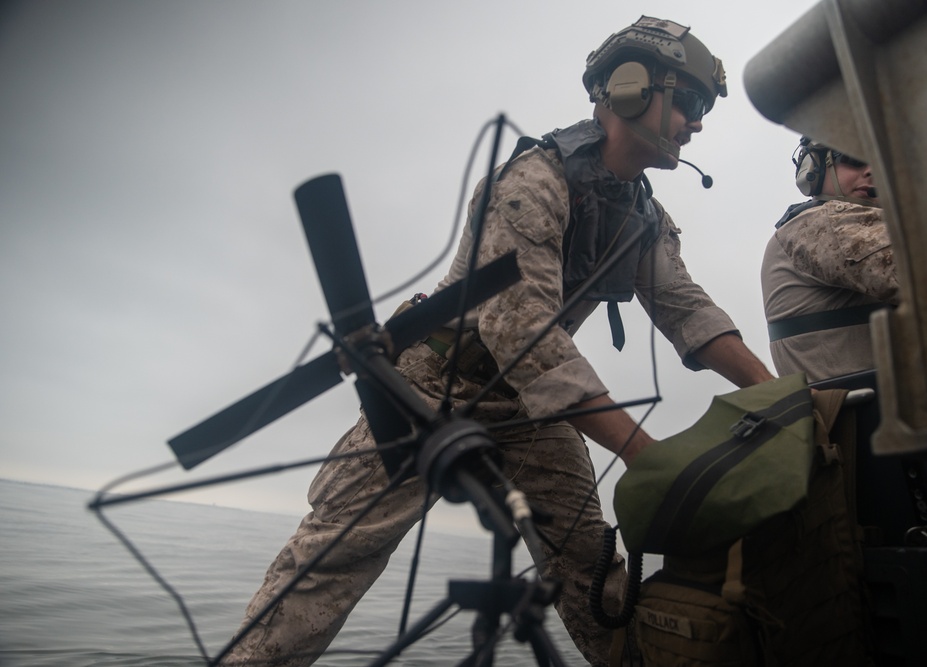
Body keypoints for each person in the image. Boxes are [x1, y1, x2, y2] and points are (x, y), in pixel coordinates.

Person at [225, 16, 774, 667]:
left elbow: (690, 314)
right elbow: (525, 336)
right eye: (689, 101)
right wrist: (642, 451)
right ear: (629, 90)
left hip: (530, 411)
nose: (699, 122)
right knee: (327, 563)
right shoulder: (531, 185)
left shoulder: (642, 217)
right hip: (425, 392)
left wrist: (783, 398)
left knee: (594, 571)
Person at [760, 137, 898, 383]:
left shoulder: (802, 226)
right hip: (876, 408)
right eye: (854, 159)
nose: (871, 170)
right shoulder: (827, 222)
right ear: (814, 168)